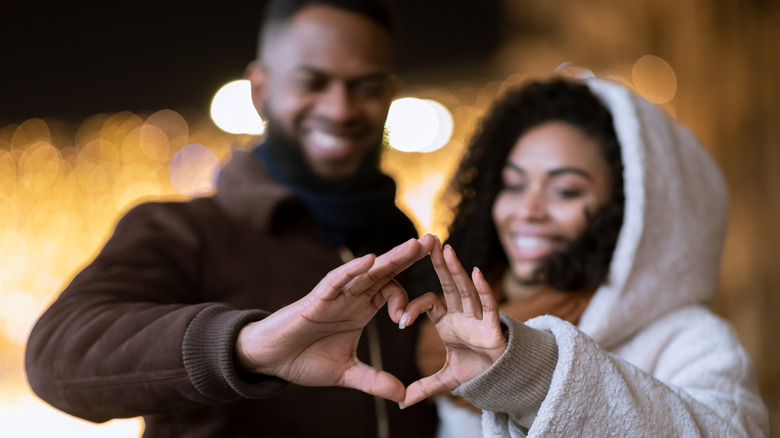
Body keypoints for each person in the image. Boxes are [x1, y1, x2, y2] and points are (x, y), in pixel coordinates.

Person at [24, 1, 438, 437]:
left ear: (389, 94)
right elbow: (56, 355)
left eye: (366, 87)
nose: (340, 109)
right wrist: (246, 347)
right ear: (260, 91)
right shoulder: (182, 231)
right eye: (311, 83)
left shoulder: (404, 244)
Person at [401, 78, 769, 437]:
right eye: (513, 185)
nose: (528, 210)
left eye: (565, 190)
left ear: (627, 211)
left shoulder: (693, 340)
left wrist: (532, 376)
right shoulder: (453, 332)